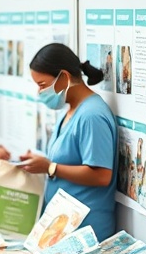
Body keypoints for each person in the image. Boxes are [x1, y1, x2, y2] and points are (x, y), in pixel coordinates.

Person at [20, 43, 117, 241]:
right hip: (63, 229)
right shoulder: (70, 111)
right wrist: (42, 163)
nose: (39, 92)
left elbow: (101, 175)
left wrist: (51, 167)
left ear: (63, 77)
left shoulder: (92, 115)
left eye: (42, 85)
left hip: (87, 231)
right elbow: (69, 159)